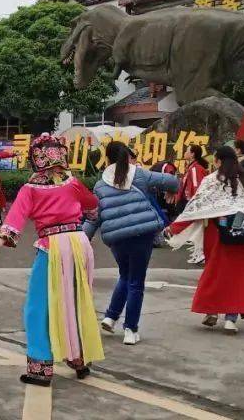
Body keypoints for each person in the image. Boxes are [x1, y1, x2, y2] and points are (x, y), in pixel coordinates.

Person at [0, 133, 103, 386]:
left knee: (38, 307)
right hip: (80, 244)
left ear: (35, 159)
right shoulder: (72, 183)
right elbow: (93, 208)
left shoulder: (30, 188)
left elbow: (13, 220)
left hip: (53, 246)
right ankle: (80, 360)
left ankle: (40, 368)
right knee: (77, 302)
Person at [85, 141, 179, 345]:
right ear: (127, 155)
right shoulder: (140, 174)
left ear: (107, 159)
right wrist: (172, 190)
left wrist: (84, 239)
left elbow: (94, 217)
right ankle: (130, 329)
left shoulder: (100, 184)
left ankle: (110, 317)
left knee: (125, 276)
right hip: (141, 234)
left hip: (117, 239)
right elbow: (172, 181)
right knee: (136, 281)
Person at [167, 146, 244, 334]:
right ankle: (231, 319)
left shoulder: (212, 181)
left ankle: (212, 311)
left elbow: (196, 207)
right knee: (239, 277)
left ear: (218, 162)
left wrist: (173, 228)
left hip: (218, 234)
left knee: (215, 274)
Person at [173, 144, 209, 264]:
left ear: (193, 154)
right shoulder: (193, 167)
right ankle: (198, 253)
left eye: (187, 151)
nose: (185, 153)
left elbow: (196, 186)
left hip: (195, 204)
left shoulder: (195, 169)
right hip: (193, 203)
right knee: (197, 229)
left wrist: (194, 204)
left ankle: (201, 254)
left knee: (198, 229)